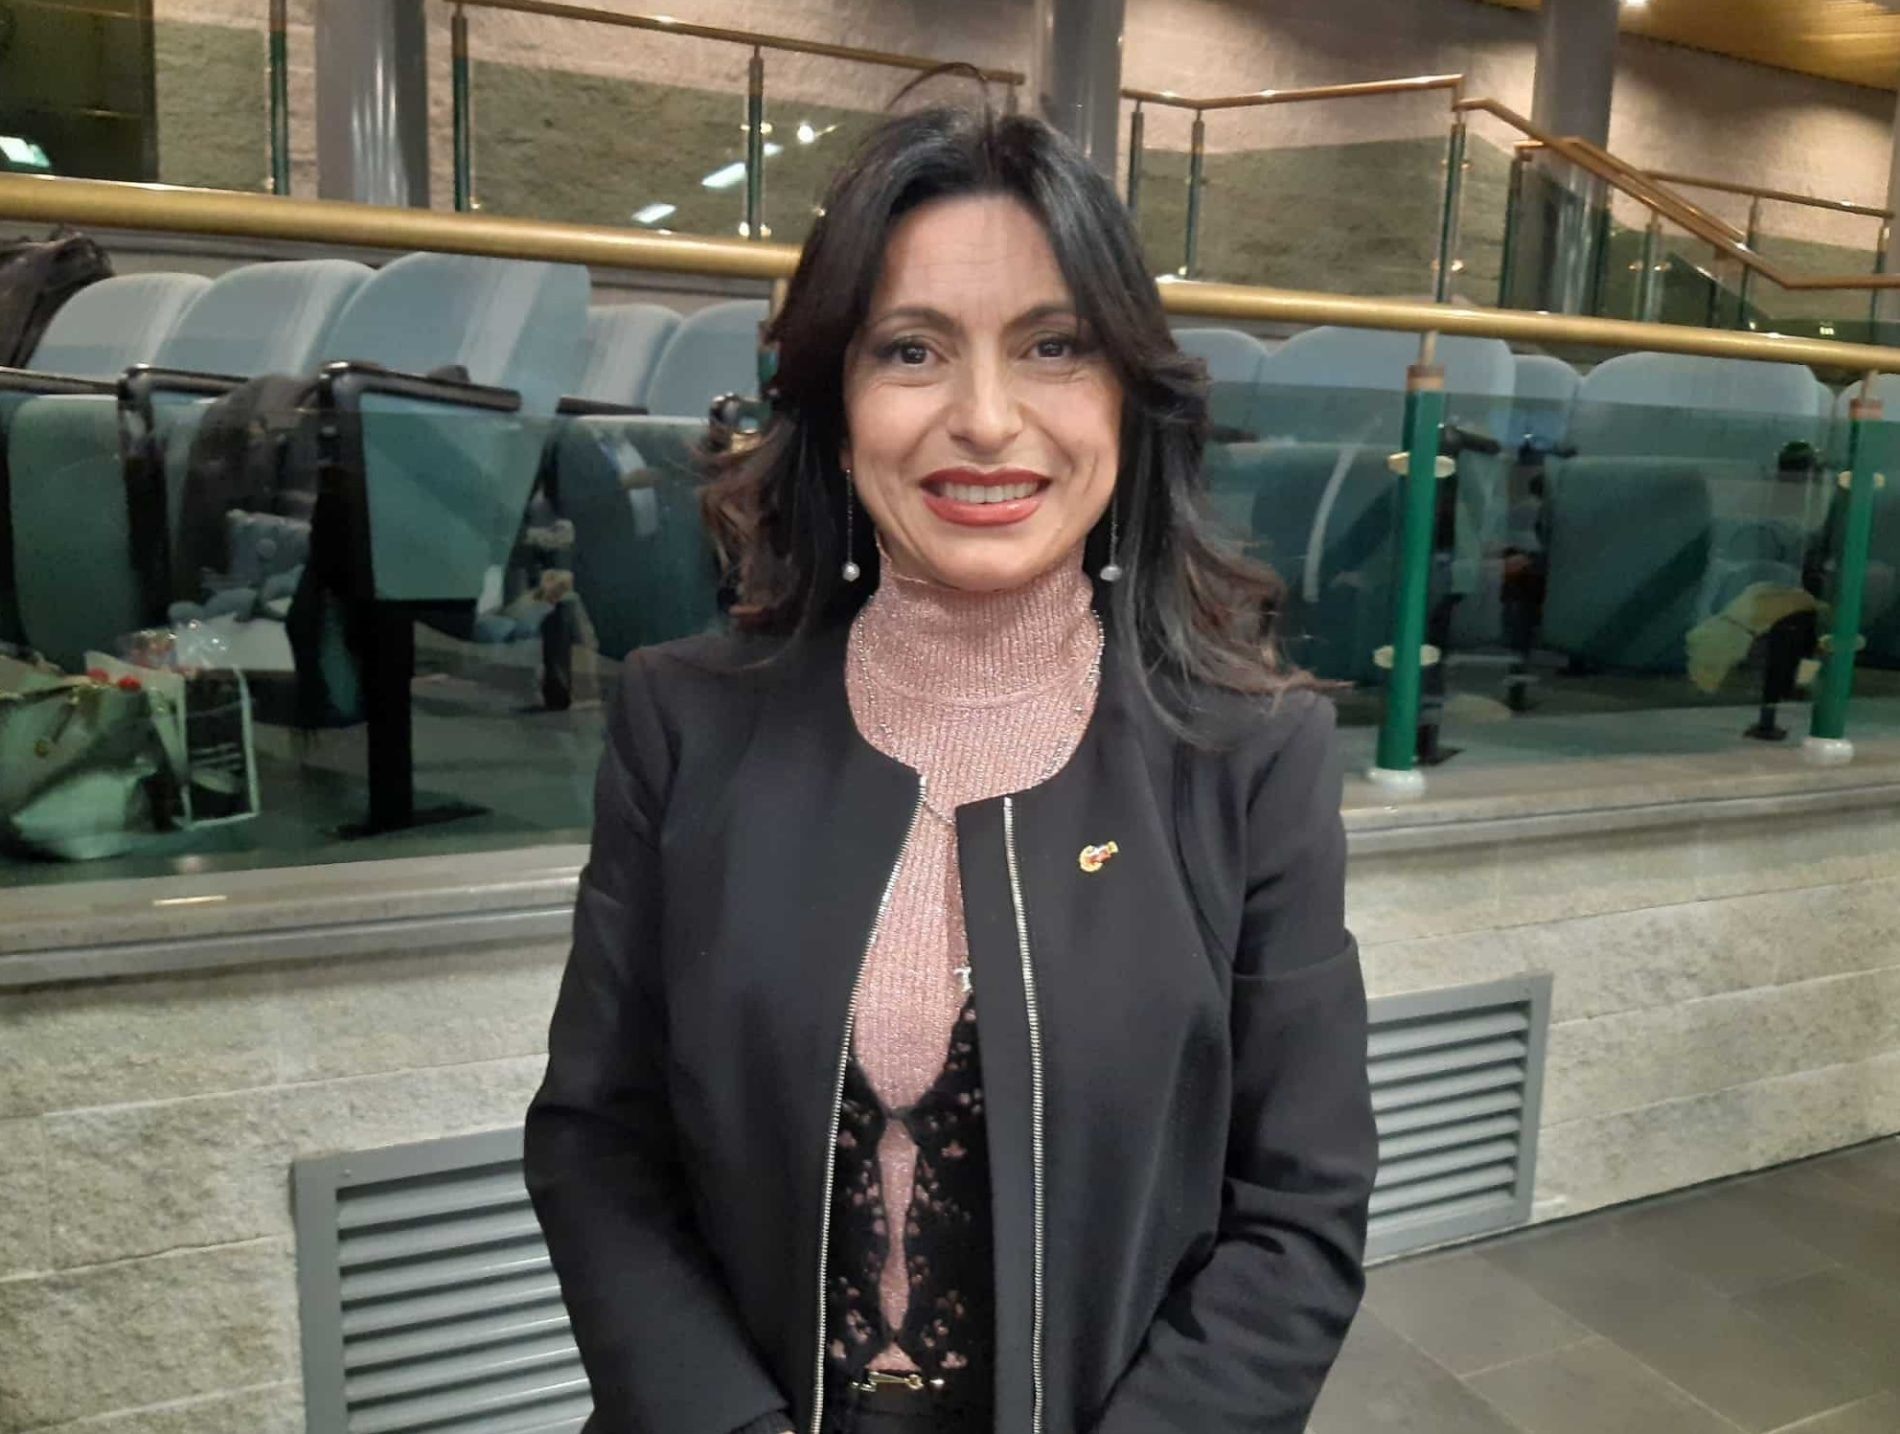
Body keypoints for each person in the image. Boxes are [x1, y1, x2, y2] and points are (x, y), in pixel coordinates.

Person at [524, 102, 1377, 1434]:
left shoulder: (1254, 758)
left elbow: (1300, 1211)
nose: (985, 419)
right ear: (835, 401)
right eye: (912, 350)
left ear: (1127, 395)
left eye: (1054, 347)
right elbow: (597, 1142)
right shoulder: (681, 720)